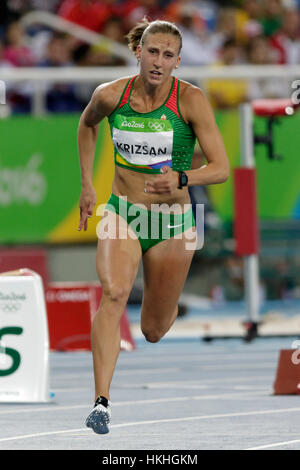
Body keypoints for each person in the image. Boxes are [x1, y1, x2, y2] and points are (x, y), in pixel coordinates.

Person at [77, 18, 229, 435]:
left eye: (167, 54)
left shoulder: (191, 101)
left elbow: (221, 169)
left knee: (153, 329)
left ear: (178, 61)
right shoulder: (110, 95)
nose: (158, 61)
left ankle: (165, 304)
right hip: (122, 212)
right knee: (113, 293)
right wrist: (88, 186)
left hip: (172, 221)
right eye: (152, 51)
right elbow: (87, 125)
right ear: (138, 52)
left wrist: (181, 178)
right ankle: (101, 402)